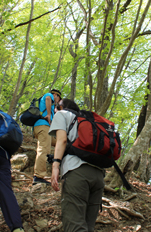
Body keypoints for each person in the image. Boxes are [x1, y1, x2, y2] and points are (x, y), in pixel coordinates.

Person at [49, 98, 105, 232]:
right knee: (88, 227)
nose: (54, 110)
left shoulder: (61, 114)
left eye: (56, 107)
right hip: (98, 175)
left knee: (74, 226)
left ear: (61, 107)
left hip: (76, 173)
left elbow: (61, 140)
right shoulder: (88, 120)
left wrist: (55, 166)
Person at [32, 89, 62, 185]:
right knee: (44, 149)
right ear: (55, 95)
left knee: (61, 143)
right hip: (43, 126)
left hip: (47, 129)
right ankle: (38, 176)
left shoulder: (53, 107)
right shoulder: (49, 95)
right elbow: (49, 98)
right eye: (58, 98)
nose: (58, 101)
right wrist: (49, 114)